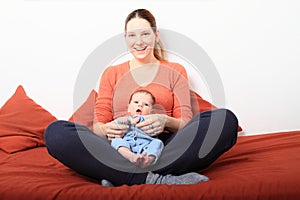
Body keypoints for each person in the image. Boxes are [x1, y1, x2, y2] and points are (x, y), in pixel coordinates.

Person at [45, 8, 238, 186]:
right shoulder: (111, 73)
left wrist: (165, 121)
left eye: (145, 34)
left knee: (224, 120)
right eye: (132, 36)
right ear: (125, 38)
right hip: (119, 148)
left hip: (162, 146)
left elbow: (185, 122)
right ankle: (155, 178)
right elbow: (98, 126)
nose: (139, 42)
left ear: (156, 35)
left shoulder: (174, 70)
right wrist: (107, 128)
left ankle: (120, 175)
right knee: (56, 132)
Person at [111, 89, 164, 168]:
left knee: (158, 143)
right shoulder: (126, 119)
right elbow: (115, 126)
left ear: (151, 111)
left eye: (146, 104)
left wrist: (139, 119)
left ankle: (148, 159)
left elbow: (156, 130)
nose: (140, 105)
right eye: (136, 102)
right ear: (129, 108)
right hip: (128, 145)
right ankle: (131, 156)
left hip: (146, 146)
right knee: (116, 141)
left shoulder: (151, 120)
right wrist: (122, 122)